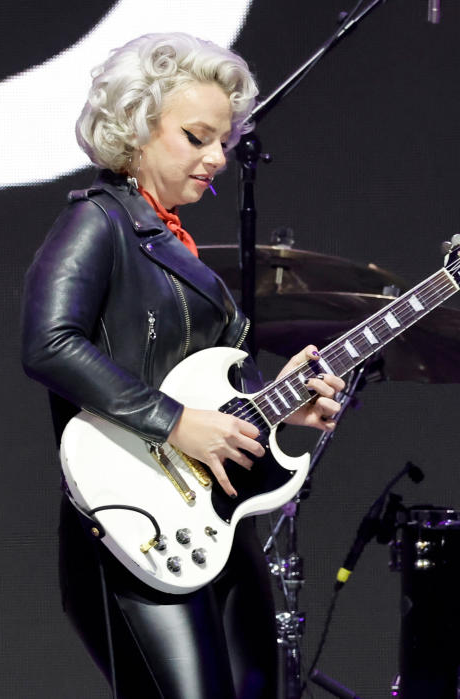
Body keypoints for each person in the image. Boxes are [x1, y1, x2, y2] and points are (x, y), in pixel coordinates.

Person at [21, 33, 344, 698]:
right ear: (136, 128)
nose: (218, 157)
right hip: (132, 529)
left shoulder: (174, 244)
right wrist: (174, 424)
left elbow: (198, 380)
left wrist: (281, 401)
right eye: (197, 137)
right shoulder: (99, 224)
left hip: (208, 519)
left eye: (221, 140)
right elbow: (48, 343)